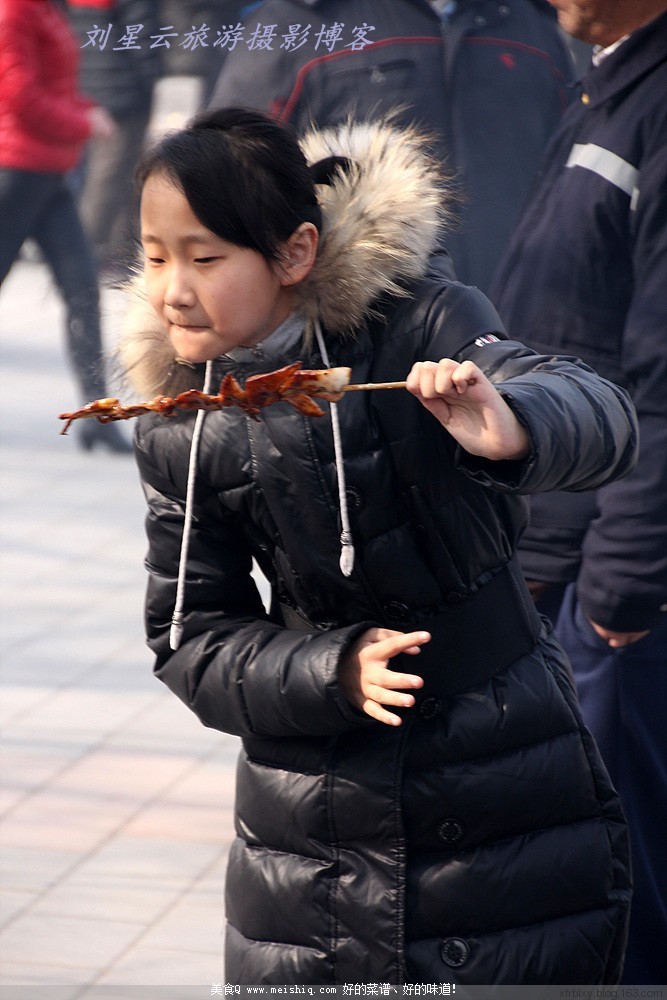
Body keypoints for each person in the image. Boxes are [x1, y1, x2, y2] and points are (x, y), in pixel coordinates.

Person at [121, 107, 638, 985]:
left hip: (500, 781)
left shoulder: (418, 321)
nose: (172, 287)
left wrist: (510, 423)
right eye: (157, 254)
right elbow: (187, 635)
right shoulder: (183, 418)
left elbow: (602, 415)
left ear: (294, 254)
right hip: (312, 831)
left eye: (205, 259)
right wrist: (330, 669)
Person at [491, 0, 667, 985]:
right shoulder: (611, 76)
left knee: (620, 899)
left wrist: (619, 595)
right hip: (572, 554)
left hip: (625, 590)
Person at [208, 0, 574, 295]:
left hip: (526, 325)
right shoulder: (300, 23)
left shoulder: (538, 23)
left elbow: (578, 179)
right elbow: (222, 186)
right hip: (365, 336)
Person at [0, 0, 130, 452]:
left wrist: (86, 108)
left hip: (50, 175)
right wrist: (81, 122)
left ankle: (97, 414)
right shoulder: (15, 10)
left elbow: (57, 84)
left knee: (83, 292)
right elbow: (20, 94)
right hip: (15, 171)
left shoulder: (47, 10)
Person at [66, 0, 163, 285]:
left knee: (115, 177)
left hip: (89, 83)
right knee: (109, 181)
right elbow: (142, 35)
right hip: (122, 89)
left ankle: (114, 256)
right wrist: (152, 80)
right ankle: (80, 260)